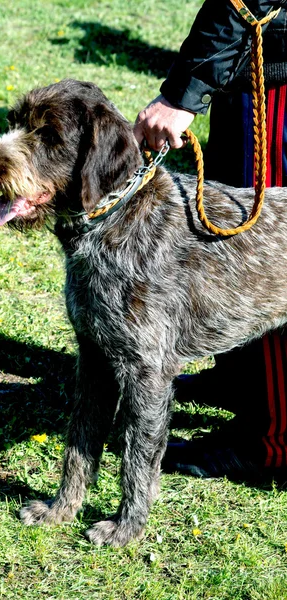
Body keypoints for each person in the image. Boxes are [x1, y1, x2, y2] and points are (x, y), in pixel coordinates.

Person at [134, 0, 287, 478]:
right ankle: (242, 385)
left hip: (273, 65)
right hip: (250, 61)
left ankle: (271, 441)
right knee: (229, 247)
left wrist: (183, 93)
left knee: (265, 260)